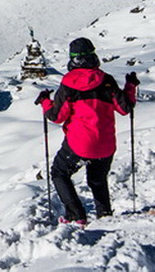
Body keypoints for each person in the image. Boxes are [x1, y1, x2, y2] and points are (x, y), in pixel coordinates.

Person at [35, 37, 139, 224]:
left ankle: (76, 215)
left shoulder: (69, 84)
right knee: (97, 178)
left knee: (59, 173)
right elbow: (125, 108)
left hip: (79, 144)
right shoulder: (106, 81)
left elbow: (56, 116)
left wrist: (44, 101)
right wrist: (130, 86)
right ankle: (105, 214)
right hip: (106, 144)